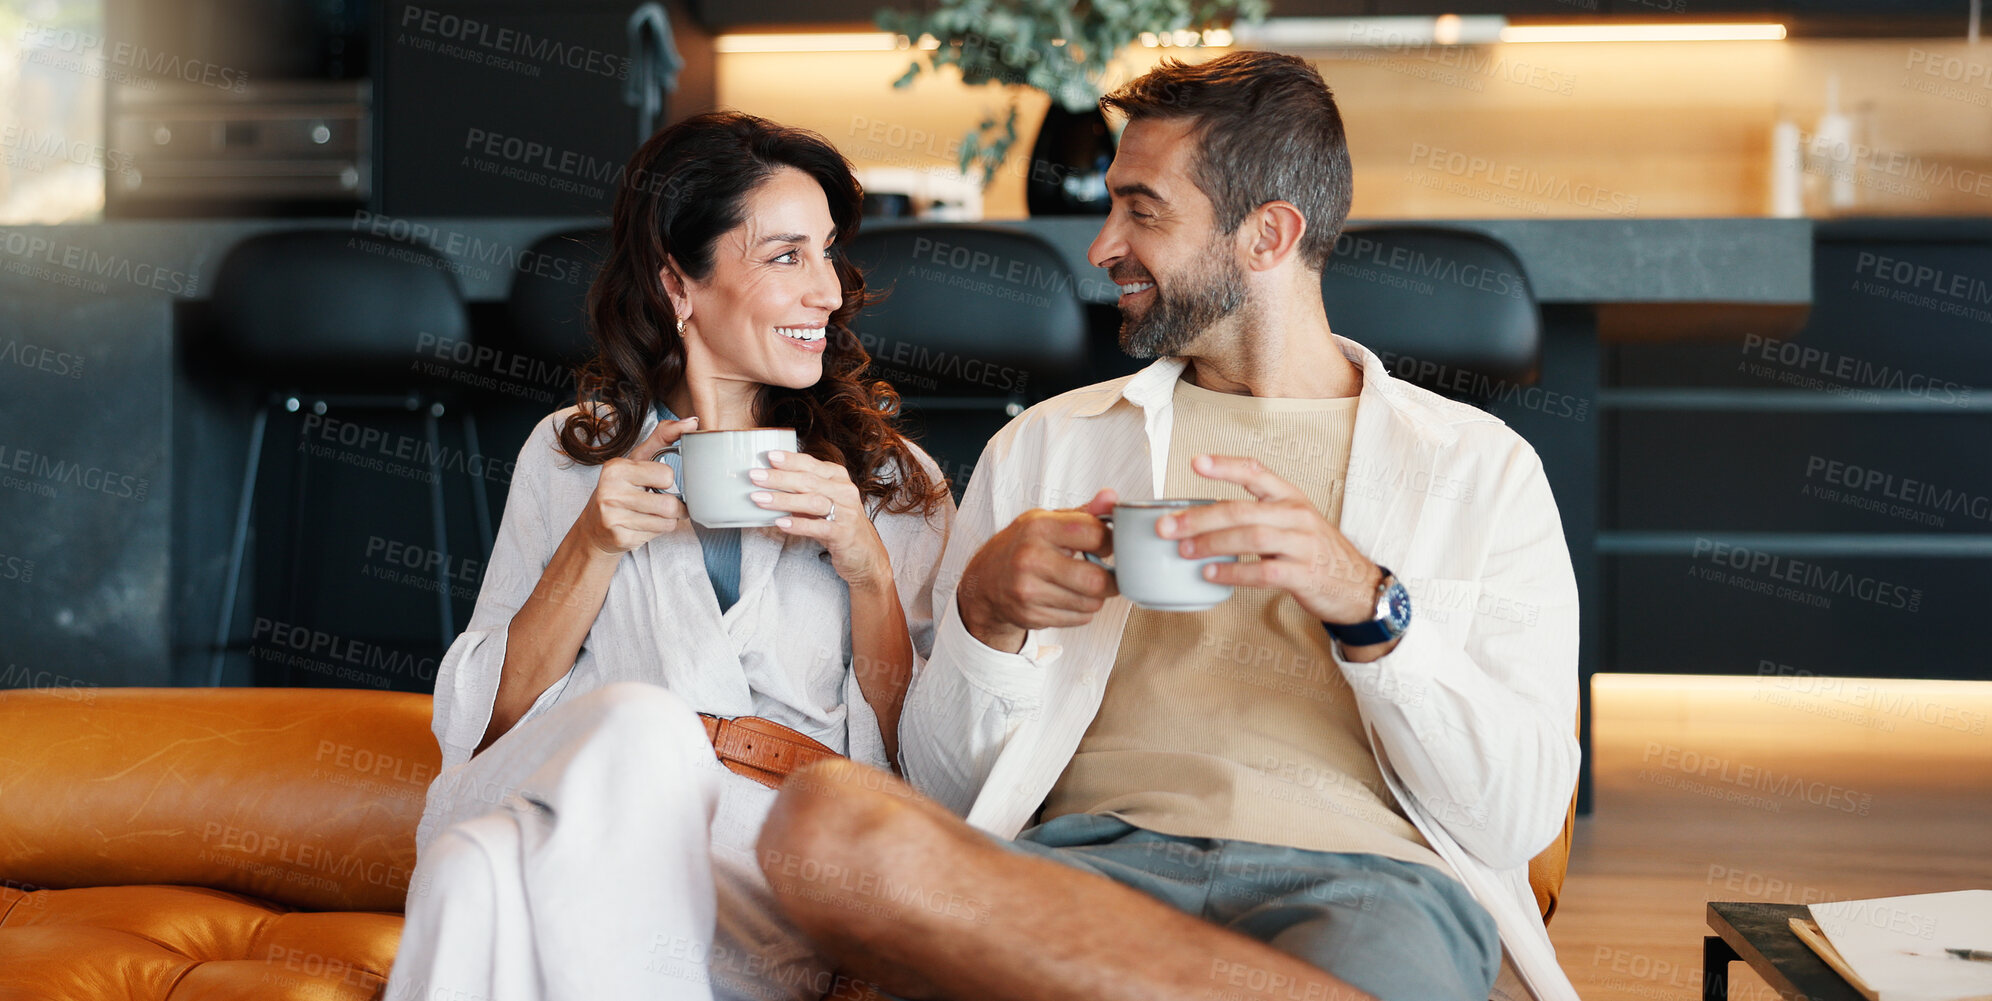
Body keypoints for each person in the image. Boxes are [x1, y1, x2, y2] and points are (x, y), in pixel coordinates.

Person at [753, 51, 1582, 1001]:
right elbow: (946, 793)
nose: (1102, 246)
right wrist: (986, 616)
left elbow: (1515, 817)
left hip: (1366, 891)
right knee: (827, 821)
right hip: (1076, 876)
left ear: (1266, 235)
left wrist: (1366, 603)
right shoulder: (1044, 448)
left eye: (1142, 210)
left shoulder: (1482, 469)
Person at [384, 111, 954, 1001]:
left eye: (828, 253)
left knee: (471, 870)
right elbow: (483, 725)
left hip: (764, 856)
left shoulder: (889, 482)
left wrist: (867, 566)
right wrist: (592, 543)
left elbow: (923, 755)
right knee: (640, 732)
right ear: (678, 285)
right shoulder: (571, 454)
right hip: (565, 801)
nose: (829, 293)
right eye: (784, 256)